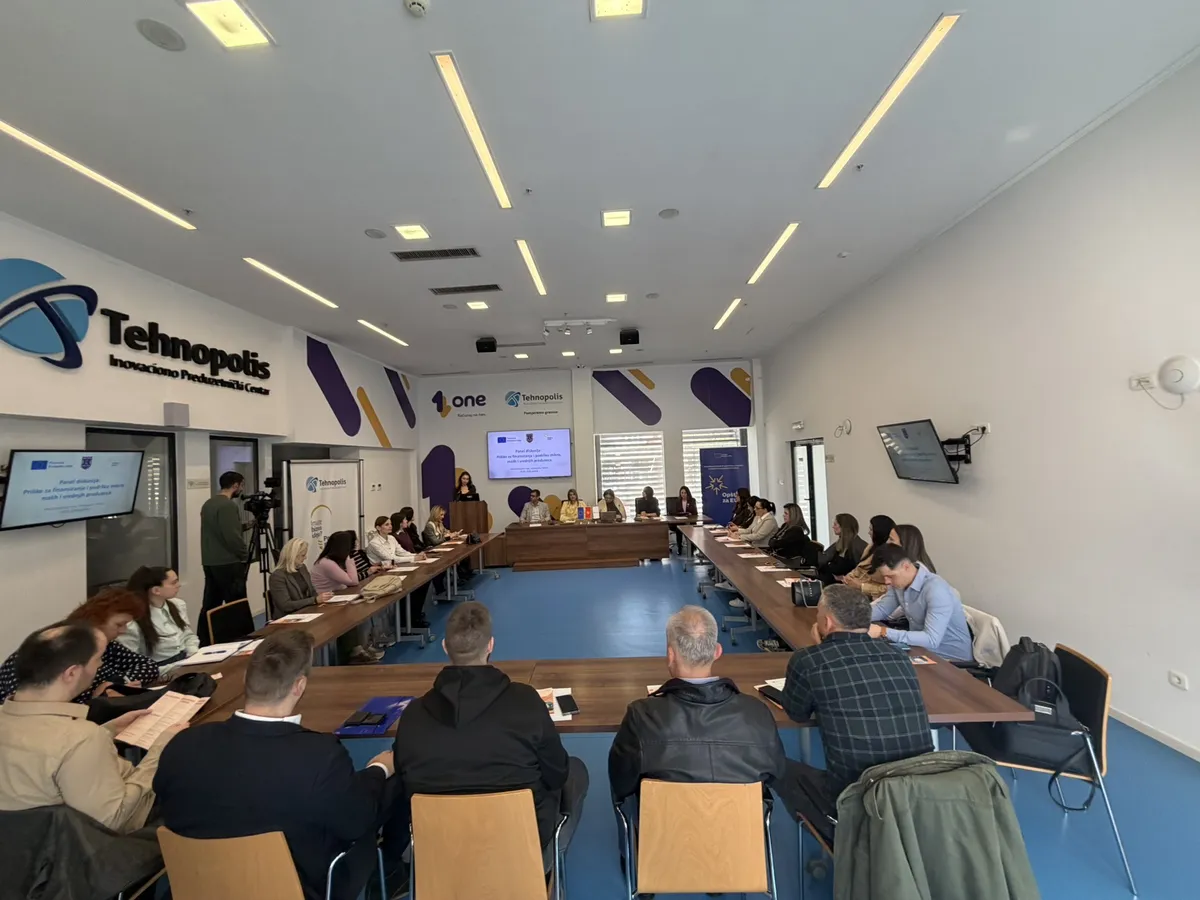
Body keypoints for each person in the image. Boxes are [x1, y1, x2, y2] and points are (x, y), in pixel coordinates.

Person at [154, 631, 402, 900]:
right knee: (385, 794)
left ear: (246, 680)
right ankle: (393, 872)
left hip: (199, 888)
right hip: (298, 889)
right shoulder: (320, 755)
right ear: (299, 686)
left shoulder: (182, 745)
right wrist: (378, 769)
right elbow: (356, 821)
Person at [388, 602, 589, 871]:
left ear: (445, 647)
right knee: (575, 770)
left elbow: (403, 782)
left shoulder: (413, 715)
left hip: (439, 845)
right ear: (491, 645)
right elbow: (556, 774)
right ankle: (542, 869)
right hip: (519, 841)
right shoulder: (526, 702)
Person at [776, 585, 934, 847]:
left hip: (856, 797)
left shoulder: (808, 661)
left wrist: (818, 649)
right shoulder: (898, 657)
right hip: (915, 792)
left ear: (827, 622)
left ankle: (841, 840)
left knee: (779, 767)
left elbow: (797, 713)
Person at [0, 623, 183, 832]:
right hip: (103, 842)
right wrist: (158, 753)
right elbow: (113, 821)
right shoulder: (80, 738)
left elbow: (44, 753)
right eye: (97, 659)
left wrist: (107, 731)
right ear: (71, 673)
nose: (100, 665)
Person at [608, 606, 786, 815]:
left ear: (671, 655)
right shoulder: (757, 712)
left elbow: (621, 781)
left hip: (667, 828)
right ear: (717, 652)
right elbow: (776, 774)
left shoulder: (642, 715)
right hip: (740, 830)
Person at [0, 589, 159, 704]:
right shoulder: (54, 648)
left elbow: (148, 666)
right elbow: (32, 704)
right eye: (119, 624)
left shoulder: (108, 645)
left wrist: (119, 684)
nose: (123, 631)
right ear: (98, 619)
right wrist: (99, 696)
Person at [869, 543, 974, 662]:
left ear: (906, 567)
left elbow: (931, 639)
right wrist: (853, 619)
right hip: (920, 649)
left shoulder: (935, 590)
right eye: (884, 577)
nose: (886, 582)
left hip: (950, 660)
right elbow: (882, 609)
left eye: (890, 576)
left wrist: (883, 631)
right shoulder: (899, 584)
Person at [310, 533, 382, 664]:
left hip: (336, 597)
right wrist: (349, 559)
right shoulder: (327, 563)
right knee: (351, 614)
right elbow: (353, 581)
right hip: (326, 603)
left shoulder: (332, 561)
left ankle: (361, 647)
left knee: (360, 609)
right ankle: (355, 652)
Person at [118, 567, 200, 673]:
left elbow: (188, 636)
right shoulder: (132, 622)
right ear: (156, 590)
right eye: (173, 583)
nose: (179, 585)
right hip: (158, 671)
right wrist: (179, 667)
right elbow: (131, 666)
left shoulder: (178, 605)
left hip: (185, 662)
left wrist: (193, 656)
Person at [199, 471, 249, 644]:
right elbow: (231, 536)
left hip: (210, 561)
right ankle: (241, 638)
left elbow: (218, 530)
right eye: (241, 485)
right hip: (228, 562)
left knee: (210, 603)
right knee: (236, 603)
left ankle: (204, 639)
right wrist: (244, 554)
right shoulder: (228, 506)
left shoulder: (208, 504)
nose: (242, 489)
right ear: (235, 485)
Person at [365, 516, 431, 631]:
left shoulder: (391, 538)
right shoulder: (374, 543)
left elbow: (401, 552)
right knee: (409, 586)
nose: (390, 526)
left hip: (395, 569)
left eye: (390, 524)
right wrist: (413, 558)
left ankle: (414, 615)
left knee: (422, 582)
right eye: (386, 524)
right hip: (381, 575)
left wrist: (416, 555)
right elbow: (390, 558)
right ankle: (406, 620)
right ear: (378, 528)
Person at [268, 538, 333, 616]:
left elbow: (312, 591)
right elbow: (286, 606)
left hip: (306, 611)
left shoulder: (302, 568)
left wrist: (320, 599)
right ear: (293, 556)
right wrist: (314, 600)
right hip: (289, 616)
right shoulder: (277, 576)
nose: (305, 557)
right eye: (303, 555)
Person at [840, 514, 898, 599]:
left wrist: (861, 586)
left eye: (871, 529)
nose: (869, 532)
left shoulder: (892, 557)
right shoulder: (871, 547)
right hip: (855, 592)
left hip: (873, 599)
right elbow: (859, 568)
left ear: (879, 532)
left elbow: (889, 589)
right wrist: (849, 578)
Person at [818, 513, 868, 585]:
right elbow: (824, 558)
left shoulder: (857, 546)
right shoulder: (840, 543)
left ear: (843, 527)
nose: (833, 527)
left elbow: (862, 570)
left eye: (835, 524)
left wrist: (847, 577)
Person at [671, 486, 698, 554]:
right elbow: (674, 512)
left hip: (690, 521)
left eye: (685, 493)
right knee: (678, 529)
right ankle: (679, 548)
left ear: (688, 493)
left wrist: (690, 513)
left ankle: (692, 548)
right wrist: (680, 513)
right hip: (680, 521)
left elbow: (695, 512)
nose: (683, 494)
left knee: (690, 529)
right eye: (682, 493)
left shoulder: (692, 500)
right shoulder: (677, 501)